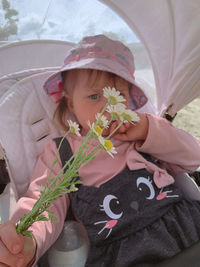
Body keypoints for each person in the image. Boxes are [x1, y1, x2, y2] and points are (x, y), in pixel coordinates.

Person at [0, 34, 200, 267]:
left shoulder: (143, 135)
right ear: (71, 103)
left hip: (183, 223)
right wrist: (29, 238)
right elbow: (43, 202)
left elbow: (193, 158)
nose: (109, 106)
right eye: (95, 96)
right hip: (124, 252)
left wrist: (149, 130)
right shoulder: (62, 152)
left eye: (119, 96)